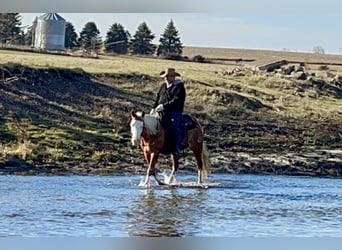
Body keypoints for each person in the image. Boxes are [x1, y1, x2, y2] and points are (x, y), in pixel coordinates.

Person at [150, 68, 186, 155]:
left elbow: (177, 100)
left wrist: (164, 106)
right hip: (161, 110)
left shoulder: (179, 87)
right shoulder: (163, 86)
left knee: (174, 125)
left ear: (173, 77)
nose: (166, 78)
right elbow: (158, 98)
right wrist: (153, 108)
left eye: (168, 76)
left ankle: (176, 146)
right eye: (165, 76)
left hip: (174, 111)